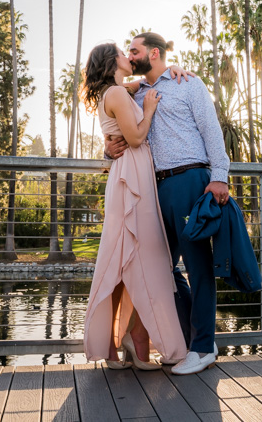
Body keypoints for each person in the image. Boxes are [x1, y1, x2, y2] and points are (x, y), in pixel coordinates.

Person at [106, 32, 230, 376]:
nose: (130, 55)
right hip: (153, 188)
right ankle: (193, 340)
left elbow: (211, 131)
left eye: (135, 50)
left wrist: (219, 176)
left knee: (198, 265)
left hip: (190, 180)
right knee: (162, 268)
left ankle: (202, 348)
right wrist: (107, 150)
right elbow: (121, 130)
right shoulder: (135, 93)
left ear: (154, 53)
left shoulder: (187, 83)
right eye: (128, 52)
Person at [80, 43, 187, 369]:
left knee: (132, 260)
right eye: (122, 52)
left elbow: (142, 83)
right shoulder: (115, 93)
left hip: (136, 174)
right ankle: (113, 344)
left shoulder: (118, 90)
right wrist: (150, 109)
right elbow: (137, 138)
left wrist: (172, 70)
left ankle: (132, 341)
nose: (128, 57)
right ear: (112, 61)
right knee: (120, 261)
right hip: (130, 177)